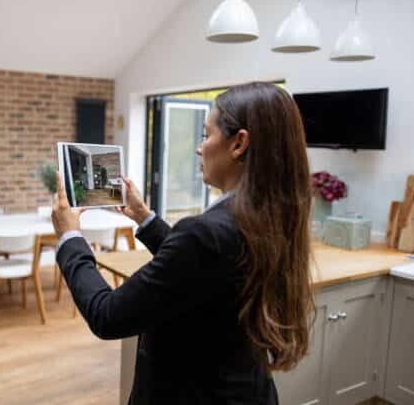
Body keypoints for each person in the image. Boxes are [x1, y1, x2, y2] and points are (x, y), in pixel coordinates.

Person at [51, 82, 315, 404]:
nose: (199, 148)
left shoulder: (208, 233)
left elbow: (108, 315)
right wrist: (144, 218)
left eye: (206, 135)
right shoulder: (275, 216)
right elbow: (204, 269)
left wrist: (70, 237)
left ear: (239, 144)